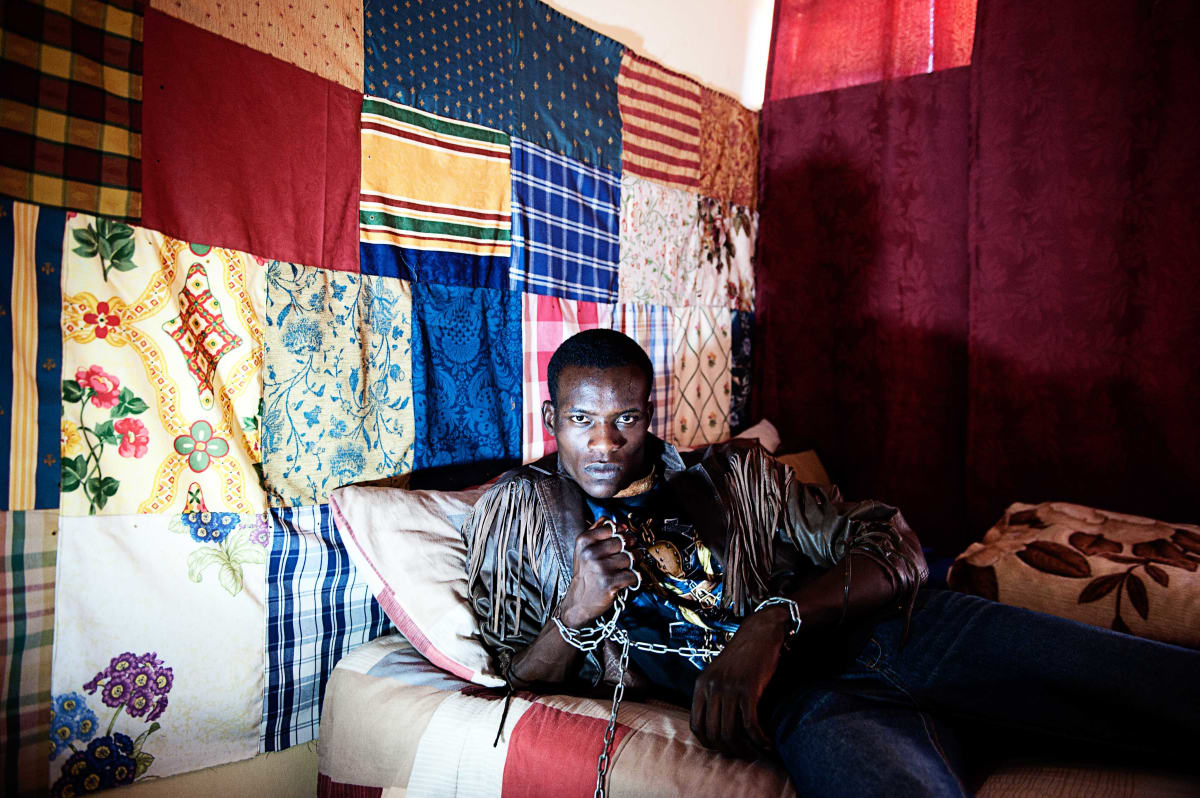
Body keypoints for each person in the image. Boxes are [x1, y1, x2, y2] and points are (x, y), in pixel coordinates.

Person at [461, 329, 1198, 797]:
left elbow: (892, 545)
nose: (605, 444)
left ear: (649, 416)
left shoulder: (734, 475)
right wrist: (575, 610)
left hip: (903, 633)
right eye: (582, 421)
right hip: (814, 707)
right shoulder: (520, 514)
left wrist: (772, 622)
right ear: (552, 417)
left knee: (1159, 686)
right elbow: (516, 673)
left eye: (625, 420)